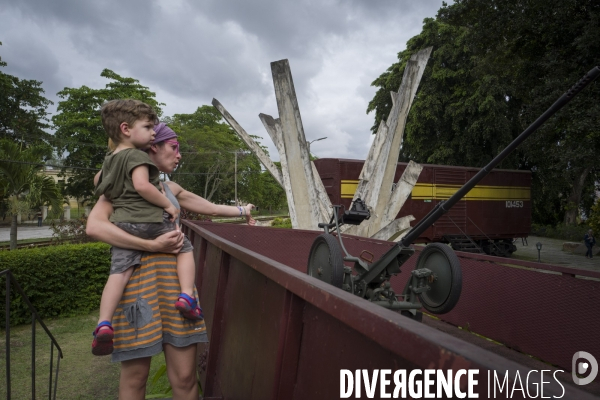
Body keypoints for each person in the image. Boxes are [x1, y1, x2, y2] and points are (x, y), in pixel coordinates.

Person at [87, 121, 255, 399]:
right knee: (135, 379)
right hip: (137, 289)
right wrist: (151, 244)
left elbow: (210, 207)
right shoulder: (120, 189)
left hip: (177, 291)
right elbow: (94, 227)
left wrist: (243, 210)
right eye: (174, 148)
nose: (178, 155)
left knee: (186, 377)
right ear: (153, 147)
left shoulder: (169, 188)